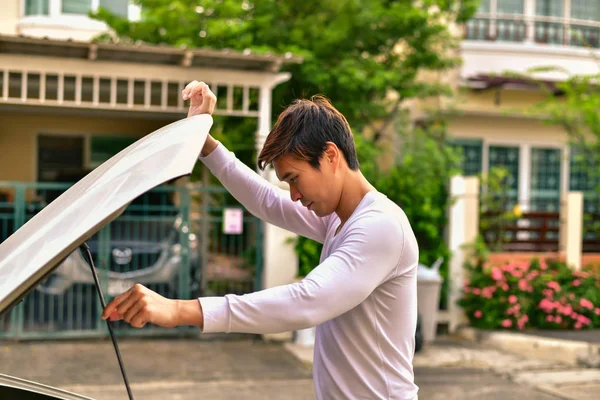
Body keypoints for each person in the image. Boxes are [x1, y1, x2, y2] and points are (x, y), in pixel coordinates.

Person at [102, 81, 420, 400]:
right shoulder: (340, 218)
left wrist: (179, 311)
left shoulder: (380, 226)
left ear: (331, 156)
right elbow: (267, 201)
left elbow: (307, 301)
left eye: (295, 179)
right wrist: (204, 141)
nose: (294, 196)